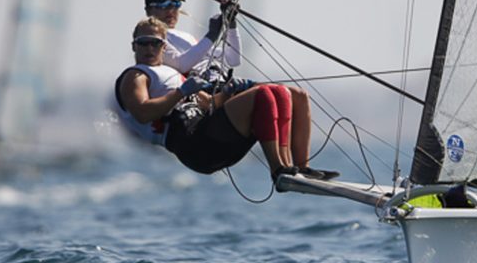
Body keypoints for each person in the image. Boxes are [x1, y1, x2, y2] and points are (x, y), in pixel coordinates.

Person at [114, 16, 337, 180]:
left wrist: (228, 93)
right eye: (143, 42)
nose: (149, 47)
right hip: (192, 144)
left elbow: (209, 104)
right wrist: (181, 92)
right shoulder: (136, 76)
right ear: (134, 45)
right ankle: (279, 171)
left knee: (279, 92)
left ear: (164, 46)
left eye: (155, 43)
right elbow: (142, 113)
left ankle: (297, 169)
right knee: (263, 95)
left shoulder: (172, 73)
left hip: (212, 136)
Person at [143, 0, 241, 77]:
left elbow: (233, 59)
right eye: (165, 5)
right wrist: (212, 35)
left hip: (221, 81)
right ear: (149, 10)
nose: (171, 10)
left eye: (176, 4)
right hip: (202, 89)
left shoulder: (188, 37)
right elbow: (181, 65)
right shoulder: (152, 39)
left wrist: (231, 23)